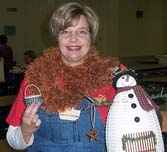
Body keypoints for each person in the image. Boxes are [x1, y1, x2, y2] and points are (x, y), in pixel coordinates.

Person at [6, 2, 125, 151]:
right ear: (57, 37)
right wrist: (25, 130)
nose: (73, 39)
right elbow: (12, 140)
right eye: (65, 31)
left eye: (81, 32)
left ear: (91, 37)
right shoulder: (36, 77)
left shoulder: (114, 74)